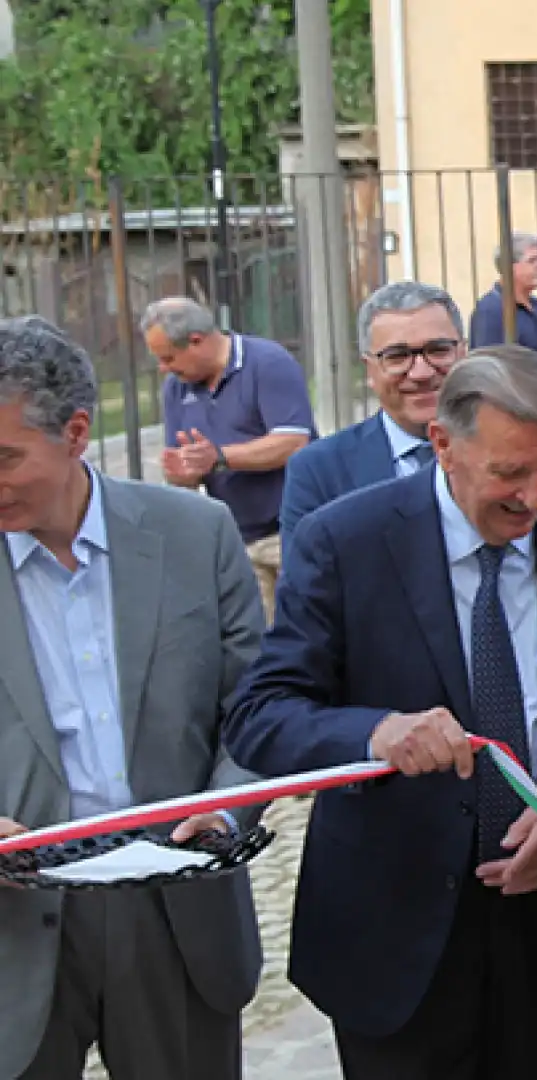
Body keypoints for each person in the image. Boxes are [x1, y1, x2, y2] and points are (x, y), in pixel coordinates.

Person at [223, 346, 537, 1080]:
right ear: (444, 447)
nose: (534, 497)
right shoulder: (343, 541)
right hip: (391, 931)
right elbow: (261, 717)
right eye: (509, 474)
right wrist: (374, 732)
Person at [0, 316, 266, 1080]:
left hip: (174, 907)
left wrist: (224, 810)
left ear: (76, 432)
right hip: (17, 921)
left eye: (5, 457)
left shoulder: (197, 533)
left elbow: (252, 712)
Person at [144, 297, 316, 622]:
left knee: (304, 635)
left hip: (292, 530)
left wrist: (219, 458)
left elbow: (293, 442)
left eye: (168, 357)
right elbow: (191, 466)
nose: (163, 368)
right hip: (237, 536)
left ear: (197, 341)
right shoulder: (177, 388)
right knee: (257, 647)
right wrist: (182, 472)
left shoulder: (267, 363)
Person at [280, 282, 467, 540]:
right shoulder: (319, 471)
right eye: (397, 356)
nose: (421, 373)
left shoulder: (515, 449)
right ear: (369, 369)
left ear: (464, 353)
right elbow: (307, 578)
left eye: (438, 350)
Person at [470, 231, 537, 356]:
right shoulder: (491, 309)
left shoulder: (535, 305)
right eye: (532, 261)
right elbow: (487, 364)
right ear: (508, 266)